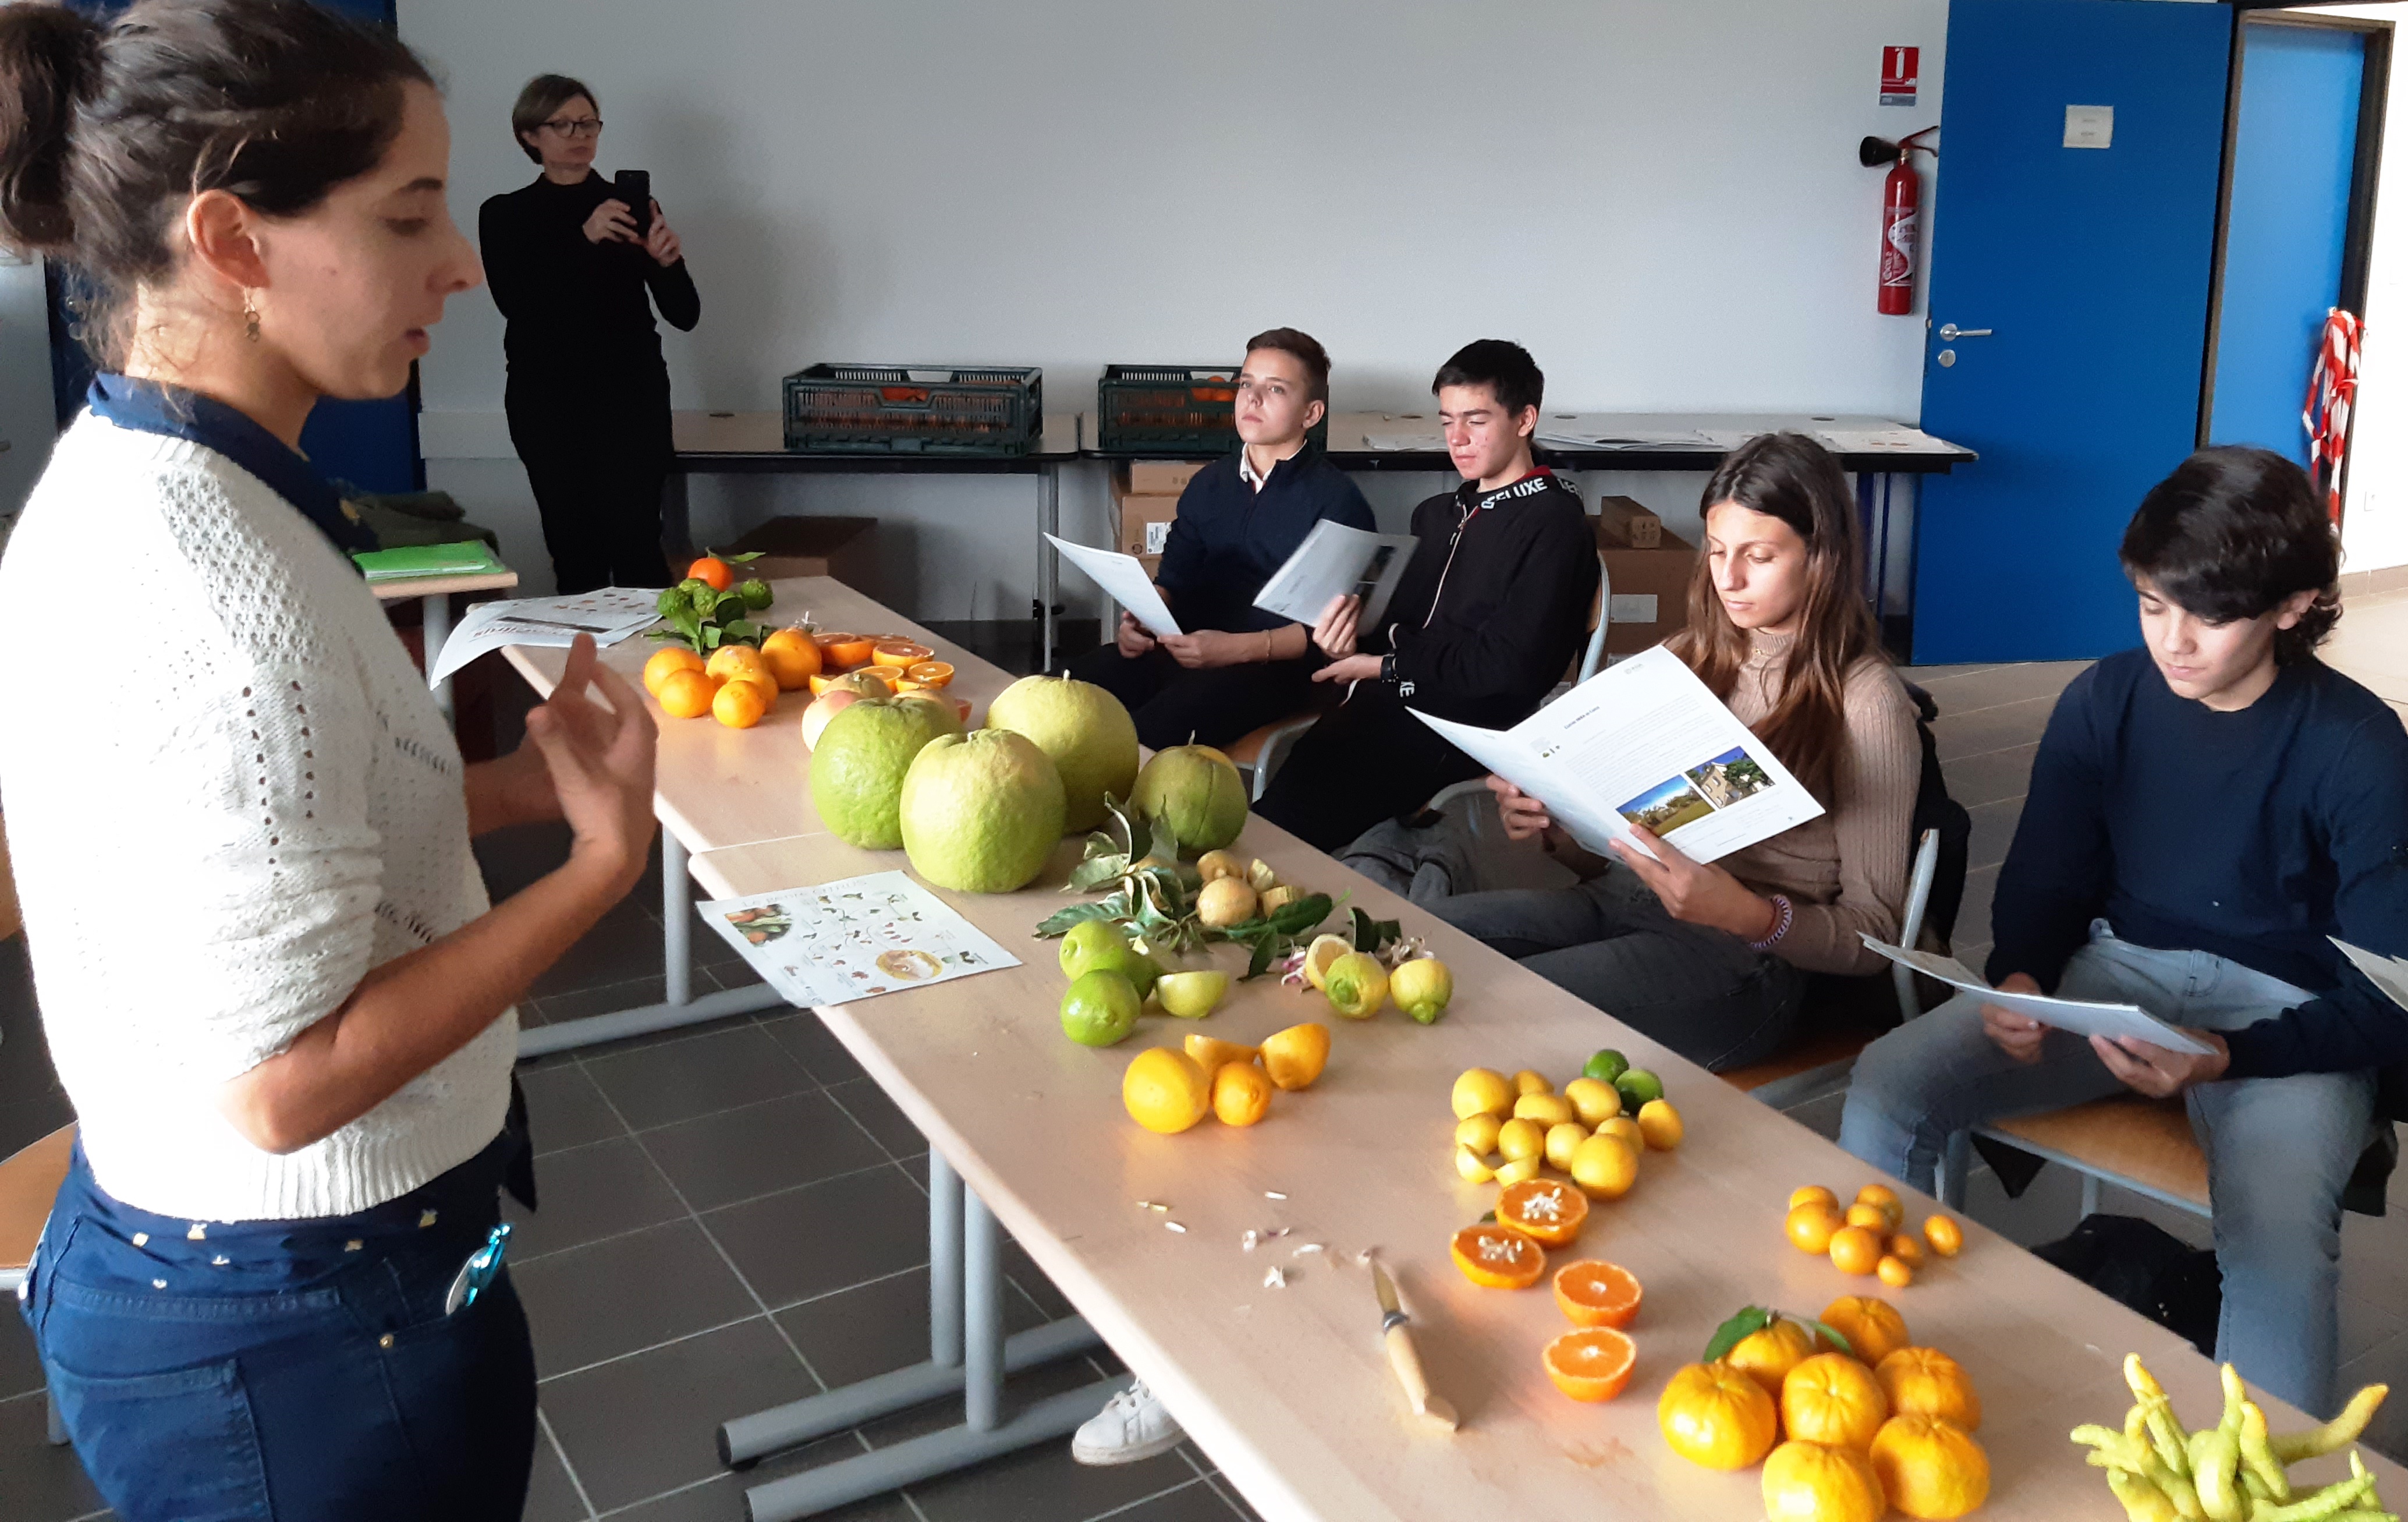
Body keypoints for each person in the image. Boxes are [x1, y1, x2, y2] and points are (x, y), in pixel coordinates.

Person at [0, 4, 659, 1516]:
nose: (461, 264)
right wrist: (601, 865)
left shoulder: (175, 481)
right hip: (298, 1326)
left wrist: (505, 786)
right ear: (233, 240)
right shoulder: (216, 592)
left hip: (263, 1269)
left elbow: (286, 834)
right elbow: (286, 1085)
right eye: (409, 215)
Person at [1837, 447, 2408, 1418]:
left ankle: (2253, 1479)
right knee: (1891, 1083)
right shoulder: (2104, 698)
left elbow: (2390, 995)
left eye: (2206, 612)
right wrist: (2018, 975)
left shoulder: (2356, 744)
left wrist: (2229, 1054)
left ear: (2290, 605)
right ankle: (1865, 1372)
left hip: (2292, 1014)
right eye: (2150, 604)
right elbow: (2044, 876)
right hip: (2115, 978)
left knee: (2273, 1233)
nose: (2171, 640)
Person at [1428, 433, 1920, 1070]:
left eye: (1759, 555)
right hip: (1628, 900)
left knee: (1498, 1009)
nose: (1730, 578)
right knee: (1426, 949)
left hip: (1750, 959)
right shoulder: (1691, 656)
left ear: (1821, 555)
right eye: (1717, 551)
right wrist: (1554, 821)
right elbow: (1623, 845)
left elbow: (1879, 935)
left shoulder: (1866, 701)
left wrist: (1748, 913)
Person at [1252, 339, 1597, 851]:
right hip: (1385, 706)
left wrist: (1386, 669)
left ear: (1524, 419)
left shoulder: (1553, 523)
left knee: (1281, 840)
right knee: (1270, 819)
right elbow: (1402, 628)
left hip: (1465, 726)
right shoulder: (1436, 515)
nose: (1456, 439)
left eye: (1476, 421)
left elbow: (1511, 670)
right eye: (1446, 421)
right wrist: (1350, 644)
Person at [1070, 328, 1375, 752]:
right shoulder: (1209, 484)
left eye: (1275, 389)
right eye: (1246, 384)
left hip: (1272, 671)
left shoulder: (1338, 503)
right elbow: (1173, 577)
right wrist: (1141, 618)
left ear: (1311, 413)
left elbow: (1324, 634)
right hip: (1189, 646)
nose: (1252, 399)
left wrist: (1234, 650)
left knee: (1139, 738)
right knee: (1062, 696)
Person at [480, 73, 698, 593]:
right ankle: (586, 673)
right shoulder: (506, 214)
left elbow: (684, 313)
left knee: (639, 547)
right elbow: (519, 305)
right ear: (530, 136)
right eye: (563, 124)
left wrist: (669, 264)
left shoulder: (632, 206)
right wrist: (583, 240)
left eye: (589, 123)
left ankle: (653, 671)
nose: (580, 134)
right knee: (574, 550)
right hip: (548, 403)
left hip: (631, 398)